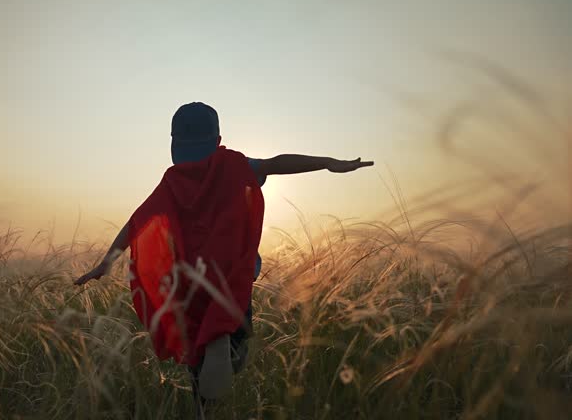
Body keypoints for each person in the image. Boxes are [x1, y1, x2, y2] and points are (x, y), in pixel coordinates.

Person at [74, 102, 373, 416]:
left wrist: (107, 262)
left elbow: (139, 222)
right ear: (217, 140)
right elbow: (277, 163)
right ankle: (222, 356)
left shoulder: (172, 182)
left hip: (188, 285)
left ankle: (206, 397)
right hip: (230, 282)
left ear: (174, 144)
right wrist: (327, 162)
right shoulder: (235, 165)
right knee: (233, 348)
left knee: (197, 357)